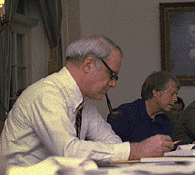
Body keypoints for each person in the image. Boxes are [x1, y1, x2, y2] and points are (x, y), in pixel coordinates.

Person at [0, 35, 174, 167]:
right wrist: (137, 150)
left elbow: (111, 142)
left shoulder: (83, 105)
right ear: (89, 64)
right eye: (112, 75)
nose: (113, 84)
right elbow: (68, 152)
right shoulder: (46, 95)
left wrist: (128, 152)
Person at [107, 71, 180, 143]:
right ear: (156, 93)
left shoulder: (166, 119)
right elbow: (111, 149)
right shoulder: (124, 115)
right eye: (172, 93)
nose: (175, 99)